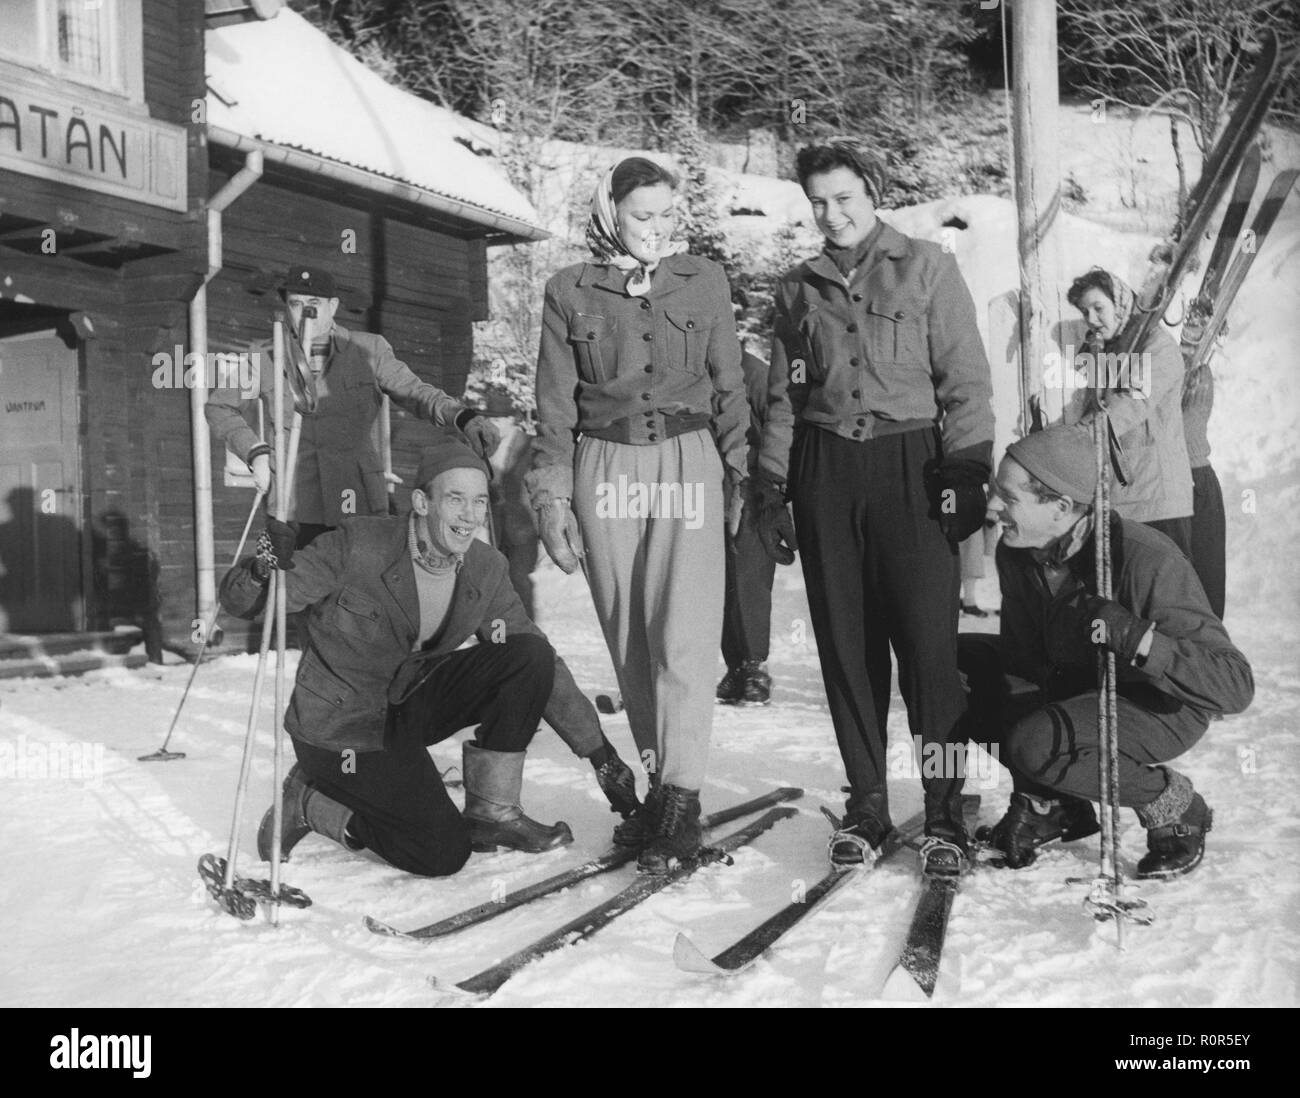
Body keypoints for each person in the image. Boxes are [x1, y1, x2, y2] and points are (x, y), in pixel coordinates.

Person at [218, 438, 639, 877]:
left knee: (526, 655)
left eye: (478, 501)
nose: (470, 515)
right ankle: (310, 801)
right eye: (455, 499)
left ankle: (492, 813)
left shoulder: (484, 567)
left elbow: (539, 664)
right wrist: (262, 570)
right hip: (341, 726)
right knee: (440, 852)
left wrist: (600, 754)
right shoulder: (358, 545)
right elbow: (252, 605)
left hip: (408, 703)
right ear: (421, 501)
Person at [754, 138, 995, 874]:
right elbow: (787, 399)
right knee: (847, 652)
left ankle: (946, 810)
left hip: (912, 466)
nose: (831, 214)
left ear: (873, 191)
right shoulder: (797, 291)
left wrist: (967, 471)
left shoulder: (928, 268)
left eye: (844, 198)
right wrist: (772, 484)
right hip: (827, 472)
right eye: (818, 202)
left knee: (929, 653)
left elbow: (967, 383)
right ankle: (866, 805)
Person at [528, 156, 750, 873]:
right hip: (605, 467)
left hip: (687, 461)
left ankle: (682, 798)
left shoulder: (704, 280)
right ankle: (660, 790)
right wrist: (551, 497)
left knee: (684, 636)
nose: (657, 229)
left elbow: (730, 386)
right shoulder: (568, 291)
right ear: (610, 214)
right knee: (631, 643)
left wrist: (744, 472)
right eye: (641, 216)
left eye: (667, 215)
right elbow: (554, 408)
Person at [963, 425, 1253, 877]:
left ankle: (1173, 804)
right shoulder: (1017, 551)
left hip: (1157, 706)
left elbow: (1234, 686)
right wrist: (1030, 782)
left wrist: (1136, 637)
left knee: (1036, 743)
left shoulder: (1145, 559)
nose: (994, 507)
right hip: (1081, 691)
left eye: (1008, 496)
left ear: (1060, 507)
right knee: (956, 666)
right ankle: (1054, 805)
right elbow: (1022, 665)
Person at [206, 266, 500, 548]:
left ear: (333, 306)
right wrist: (255, 452)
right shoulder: (268, 355)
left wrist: (463, 417)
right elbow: (219, 407)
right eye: (296, 304)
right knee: (299, 594)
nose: (306, 311)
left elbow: (416, 392)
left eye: (314, 303)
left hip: (358, 502)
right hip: (293, 506)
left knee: (360, 593)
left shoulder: (368, 350)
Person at [1063, 268, 1193, 558]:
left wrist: (1075, 439)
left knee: (1164, 592)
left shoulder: (1156, 345)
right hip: (1124, 499)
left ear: (1121, 303)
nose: (1092, 319)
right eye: (1085, 312)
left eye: (1099, 308)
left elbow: (1130, 403)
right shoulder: (1109, 350)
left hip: (1158, 499)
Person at [717, 349, 777, 706]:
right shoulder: (694, 369)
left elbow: (780, 426)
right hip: (710, 489)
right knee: (722, 584)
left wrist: (768, 483)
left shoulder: (752, 372)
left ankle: (755, 665)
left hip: (751, 490)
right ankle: (736, 666)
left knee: (750, 578)